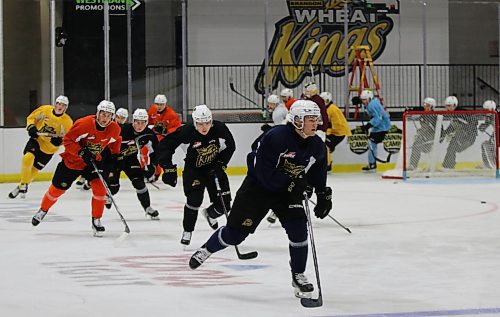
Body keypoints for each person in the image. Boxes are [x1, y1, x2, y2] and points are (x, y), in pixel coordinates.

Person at [189, 100, 332, 300]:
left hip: (286, 192)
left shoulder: (316, 144)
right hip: (258, 190)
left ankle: (298, 274)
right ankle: (207, 249)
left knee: (299, 229)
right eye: (310, 119)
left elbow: (317, 169)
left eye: (316, 119)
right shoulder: (277, 136)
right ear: (298, 120)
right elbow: (262, 171)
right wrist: (294, 183)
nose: (315, 123)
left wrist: (323, 192)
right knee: (235, 235)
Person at [31, 100, 122, 237]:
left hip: (92, 163)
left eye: (109, 116)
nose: (105, 118)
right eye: (103, 114)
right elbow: (68, 140)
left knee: (100, 188)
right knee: (57, 190)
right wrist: (81, 152)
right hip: (73, 161)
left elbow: (115, 142)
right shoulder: (84, 124)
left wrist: (115, 157)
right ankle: (43, 210)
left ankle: (96, 220)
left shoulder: (114, 129)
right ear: (97, 113)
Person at [157, 105, 236, 246]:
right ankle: (188, 231)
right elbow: (165, 145)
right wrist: (168, 168)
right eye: (200, 124)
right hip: (194, 171)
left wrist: (221, 164)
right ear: (194, 123)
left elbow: (231, 146)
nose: (204, 127)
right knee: (194, 200)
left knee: (224, 205)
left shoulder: (219, 128)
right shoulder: (186, 132)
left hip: (214, 168)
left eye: (207, 123)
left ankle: (209, 214)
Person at [8, 95, 73, 199]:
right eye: (58, 104)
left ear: (66, 108)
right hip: (37, 141)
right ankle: (24, 184)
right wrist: (31, 127)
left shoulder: (67, 122)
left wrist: (59, 142)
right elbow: (31, 118)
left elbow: (69, 138)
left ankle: (20, 186)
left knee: (34, 169)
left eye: (63, 105)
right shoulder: (45, 110)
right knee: (28, 157)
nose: (60, 106)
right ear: (55, 104)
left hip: (49, 149)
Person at [105, 108, 160, 219]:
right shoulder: (121, 130)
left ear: (146, 122)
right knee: (114, 187)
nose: (139, 126)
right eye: (137, 122)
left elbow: (155, 152)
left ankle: (147, 208)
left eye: (142, 123)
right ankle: (107, 195)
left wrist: (152, 166)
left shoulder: (149, 135)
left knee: (139, 183)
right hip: (114, 161)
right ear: (133, 121)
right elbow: (106, 145)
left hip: (131, 160)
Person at [147, 94, 182, 180]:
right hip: (154, 135)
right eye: (157, 104)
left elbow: (177, 127)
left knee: (160, 154)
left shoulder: (171, 114)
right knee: (146, 151)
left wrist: (166, 131)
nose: (159, 106)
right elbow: (147, 121)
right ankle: (147, 171)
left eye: (161, 104)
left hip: (164, 137)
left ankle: (159, 173)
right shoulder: (152, 110)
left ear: (165, 104)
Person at [441, 96, 479, 169]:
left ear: (454, 105)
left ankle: (448, 166)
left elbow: (474, 121)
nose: (447, 108)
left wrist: (463, 130)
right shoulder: (454, 115)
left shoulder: (462, 113)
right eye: (446, 106)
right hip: (461, 137)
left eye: (449, 106)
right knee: (451, 148)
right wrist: (444, 133)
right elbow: (452, 127)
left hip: (468, 138)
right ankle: (447, 165)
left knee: (452, 147)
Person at [359, 90, 391, 171]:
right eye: (362, 100)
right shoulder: (373, 102)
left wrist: (367, 126)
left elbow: (378, 118)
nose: (363, 102)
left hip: (381, 128)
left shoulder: (372, 105)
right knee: (372, 144)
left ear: (369, 98)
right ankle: (372, 163)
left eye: (364, 99)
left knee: (372, 144)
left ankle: (372, 164)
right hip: (379, 127)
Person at [320, 91, 352, 172]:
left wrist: (326, 129)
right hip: (334, 132)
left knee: (325, 145)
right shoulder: (326, 108)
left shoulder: (333, 109)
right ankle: (326, 163)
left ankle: (327, 165)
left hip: (339, 133)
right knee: (323, 143)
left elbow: (337, 125)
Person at [407, 97, 437, 170]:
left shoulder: (434, 117)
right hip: (424, 139)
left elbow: (437, 130)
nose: (425, 106)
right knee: (416, 145)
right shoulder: (423, 115)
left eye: (427, 105)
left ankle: (413, 165)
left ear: (432, 107)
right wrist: (421, 131)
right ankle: (413, 165)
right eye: (424, 104)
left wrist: (426, 135)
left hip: (430, 141)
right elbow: (424, 127)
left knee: (416, 145)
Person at [479, 100, 498, 169]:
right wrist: (483, 126)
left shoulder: (497, 114)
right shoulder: (489, 116)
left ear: (493, 108)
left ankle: (495, 164)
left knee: (492, 145)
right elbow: (488, 123)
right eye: (484, 109)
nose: (485, 111)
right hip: (496, 134)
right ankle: (489, 164)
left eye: (487, 110)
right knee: (484, 145)